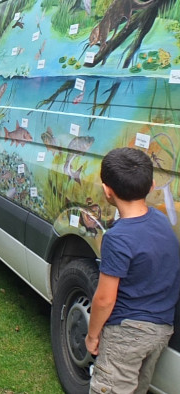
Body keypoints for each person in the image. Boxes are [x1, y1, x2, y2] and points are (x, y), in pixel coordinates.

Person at [85, 147, 180, 394]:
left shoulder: (118, 238)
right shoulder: (161, 220)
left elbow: (105, 299)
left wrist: (93, 335)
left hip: (128, 332)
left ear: (107, 190)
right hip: (161, 329)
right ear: (151, 185)